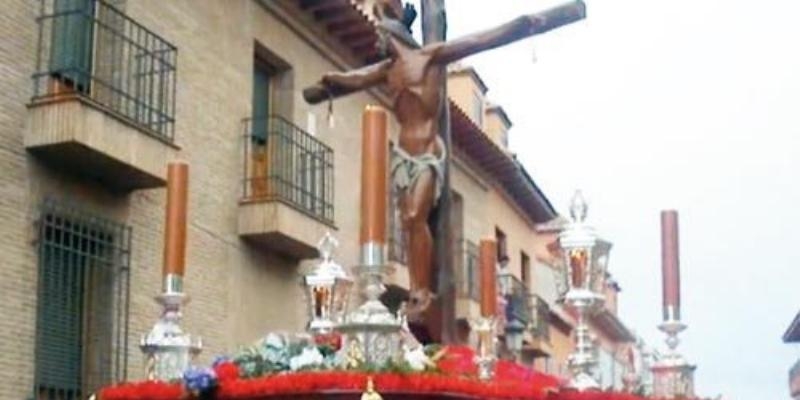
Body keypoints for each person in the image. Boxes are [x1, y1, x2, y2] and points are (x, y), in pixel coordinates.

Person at [305, 0, 586, 320]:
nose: (375, 42)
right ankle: (416, 288)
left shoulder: (430, 56)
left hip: (428, 153)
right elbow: (354, 79)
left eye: (379, 36)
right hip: (403, 157)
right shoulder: (387, 71)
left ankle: (423, 291)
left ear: (390, 33)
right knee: (410, 224)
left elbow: (480, 40)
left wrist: (525, 24)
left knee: (413, 216)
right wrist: (326, 86)